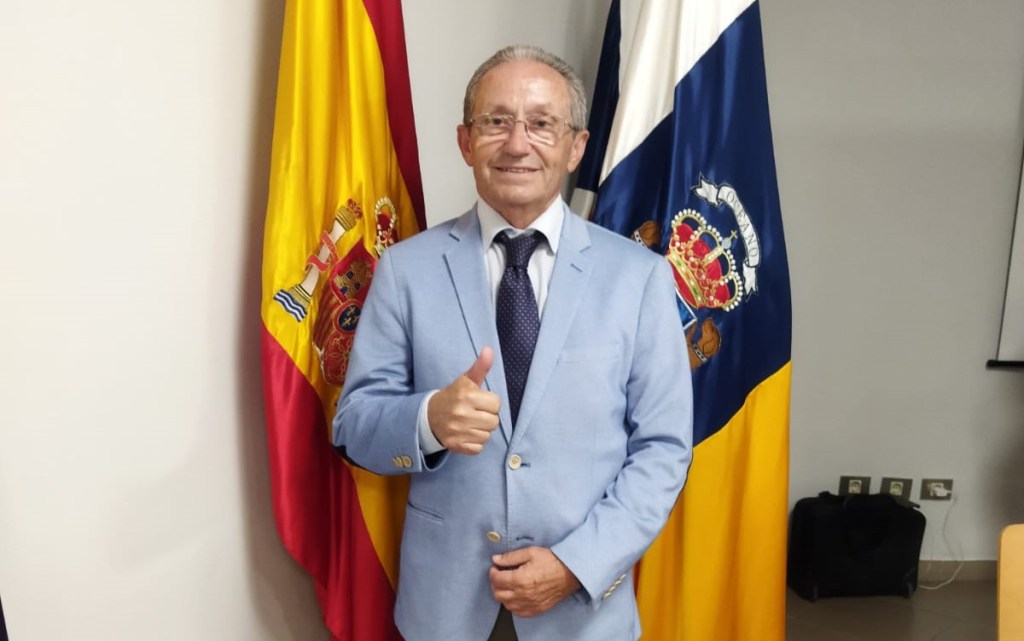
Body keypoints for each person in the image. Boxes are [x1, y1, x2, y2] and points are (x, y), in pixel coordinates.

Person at [333, 45, 693, 641]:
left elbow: (663, 450)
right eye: (496, 121)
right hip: (445, 610)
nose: (518, 143)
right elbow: (354, 425)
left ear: (576, 146)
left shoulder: (639, 278)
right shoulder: (406, 270)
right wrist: (428, 421)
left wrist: (577, 565)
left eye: (542, 123)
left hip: (581, 613)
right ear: (465, 141)